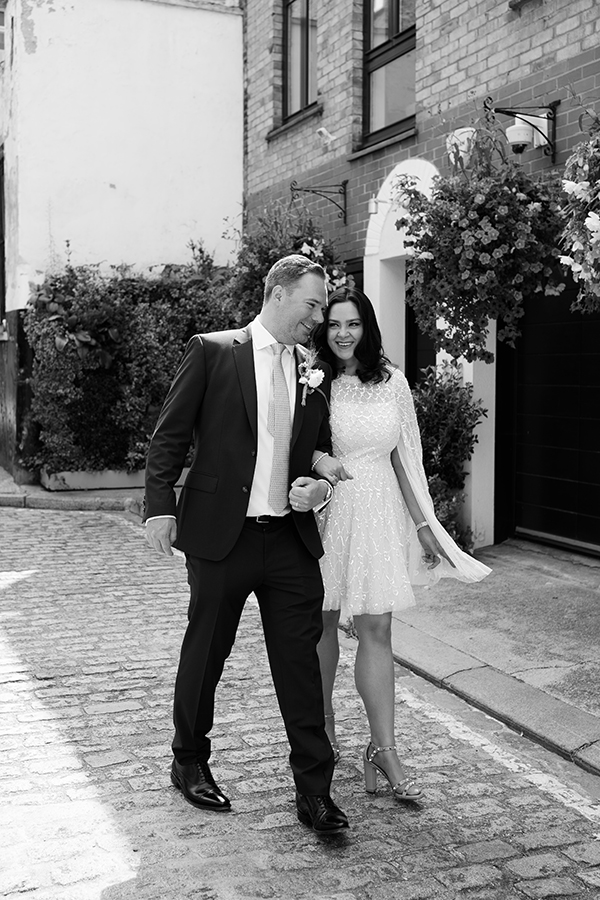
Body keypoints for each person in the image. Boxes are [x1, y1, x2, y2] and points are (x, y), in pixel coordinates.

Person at [144, 255, 350, 834]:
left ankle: (314, 791)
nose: (318, 317)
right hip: (220, 537)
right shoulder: (213, 350)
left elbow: (318, 447)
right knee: (206, 652)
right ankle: (189, 762)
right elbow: (170, 436)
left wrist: (321, 485)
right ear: (278, 294)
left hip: (288, 538)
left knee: (300, 667)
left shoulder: (312, 368)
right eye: (311, 305)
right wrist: (160, 507)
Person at [310, 286, 491, 804]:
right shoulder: (313, 380)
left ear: (368, 327)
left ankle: (383, 748)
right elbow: (301, 446)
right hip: (329, 508)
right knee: (321, 620)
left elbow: (405, 460)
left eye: (353, 324)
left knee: (377, 625)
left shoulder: (393, 383)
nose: (343, 334)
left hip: (379, 512)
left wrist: (424, 526)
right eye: (334, 324)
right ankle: (323, 734)